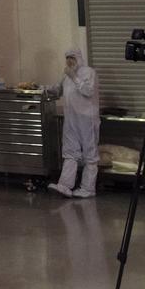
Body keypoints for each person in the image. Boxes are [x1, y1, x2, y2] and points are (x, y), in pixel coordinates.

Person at [46, 47, 100, 198]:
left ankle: (88, 188)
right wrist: (43, 89)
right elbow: (58, 90)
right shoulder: (66, 74)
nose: (69, 61)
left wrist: (74, 77)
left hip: (87, 120)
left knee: (90, 153)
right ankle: (64, 185)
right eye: (67, 58)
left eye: (72, 57)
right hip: (71, 119)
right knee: (70, 151)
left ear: (79, 58)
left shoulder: (89, 72)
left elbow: (88, 91)